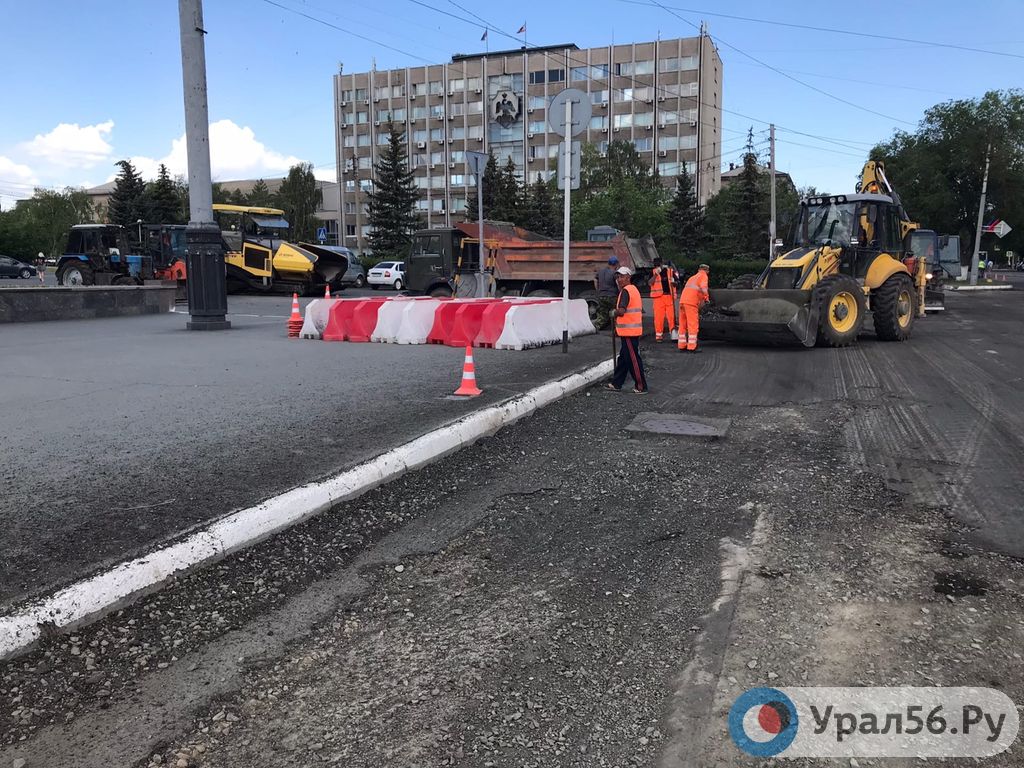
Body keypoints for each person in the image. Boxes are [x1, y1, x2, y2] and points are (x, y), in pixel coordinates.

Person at [606, 266, 648, 394]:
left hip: (629, 332)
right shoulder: (634, 290)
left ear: (628, 277)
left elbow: (622, 311)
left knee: (632, 359)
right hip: (630, 331)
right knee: (624, 358)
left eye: (622, 277)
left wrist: (614, 312)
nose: (619, 279)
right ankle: (616, 383)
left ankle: (641, 386)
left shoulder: (626, 291)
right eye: (618, 277)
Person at [678, 263, 711, 352]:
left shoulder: (693, 277)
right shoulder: (703, 276)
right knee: (692, 324)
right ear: (707, 271)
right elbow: (704, 288)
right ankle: (692, 347)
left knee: (682, 324)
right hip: (691, 303)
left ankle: (682, 345)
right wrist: (706, 298)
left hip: (682, 301)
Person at [648, 256, 678, 343]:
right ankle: (659, 336)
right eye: (656, 265)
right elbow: (650, 283)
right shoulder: (653, 272)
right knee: (658, 318)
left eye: (658, 265)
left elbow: (676, 283)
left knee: (671, 317)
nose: (657, 266)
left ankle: (673, 335)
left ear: (662, 264)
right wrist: (656, 274)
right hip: (658, 298)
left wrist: (674, 283)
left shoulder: (670, 271)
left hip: (669, 297)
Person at [593, 256, 620, 330]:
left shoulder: (601, 271)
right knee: (614, 311)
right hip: (612, 296)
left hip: (601, 295)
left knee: (602, 314)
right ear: (616, 264)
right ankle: (616, 328)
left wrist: (598, 289)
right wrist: (620, 292)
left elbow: (595, 280)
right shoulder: (615, 273)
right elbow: (618, 283)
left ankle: (596, 328)